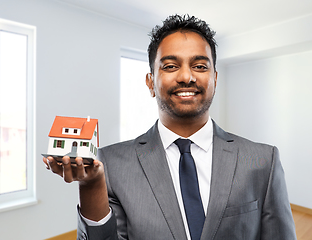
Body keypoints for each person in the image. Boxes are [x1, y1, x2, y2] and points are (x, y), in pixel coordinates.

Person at [44, 14, 297, 240]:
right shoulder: (111, 163)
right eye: (170, 66)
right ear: (150, 82)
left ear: (215, 79)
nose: (186, 77)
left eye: (199, 66)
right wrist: (91, 186)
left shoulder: (263, 161)